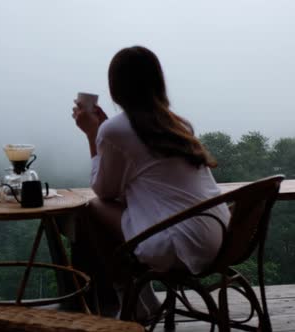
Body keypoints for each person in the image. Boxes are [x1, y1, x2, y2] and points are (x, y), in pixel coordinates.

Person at [71, 46, 230, 319]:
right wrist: (105, 135)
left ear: (116, 88)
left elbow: (104, 190)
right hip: (220, 236)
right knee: (115, 216)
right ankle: (136, 300)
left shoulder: (113, 131)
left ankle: (130, 301)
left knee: (91, 210)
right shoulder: (180, 124)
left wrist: (92, 134)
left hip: (179, 243)